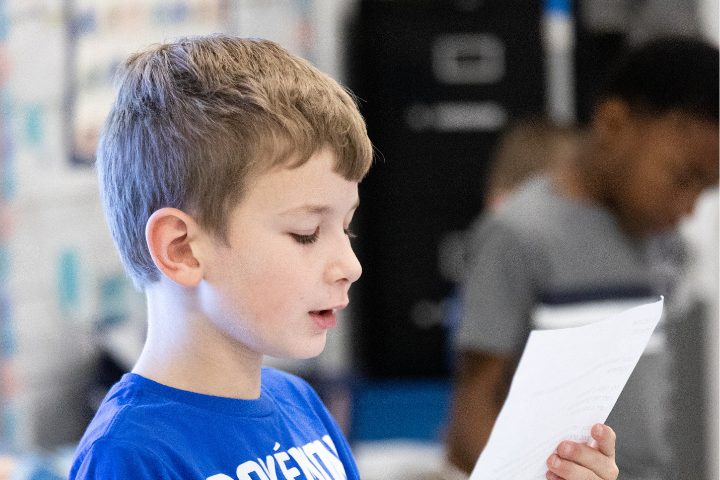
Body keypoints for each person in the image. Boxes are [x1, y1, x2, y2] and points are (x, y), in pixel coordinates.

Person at [69, 34, 620, 480]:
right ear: (182, 249)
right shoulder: (131, 456)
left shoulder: (300, 407)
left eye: (347, 228)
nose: (350, 265)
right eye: (308, 233)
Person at [446, 36, 719, 480]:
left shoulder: (665, 243)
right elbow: (471, 416)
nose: (688, 208)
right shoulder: (520, 234)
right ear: (614, 123)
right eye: (682, 178)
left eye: (705, 190)